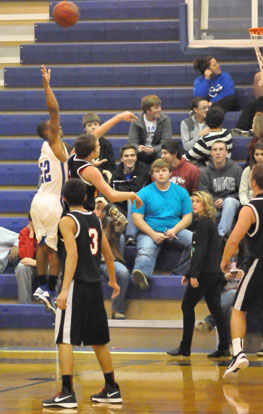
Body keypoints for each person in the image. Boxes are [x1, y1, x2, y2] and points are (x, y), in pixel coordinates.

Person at [42, 179, 122, 409]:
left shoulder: (67, 221)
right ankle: (111, 388)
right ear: (86, 197)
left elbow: (73, 256)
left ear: (64, 199)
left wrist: (64, 289)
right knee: (99, 340)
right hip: (95, 284)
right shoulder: (94, 218)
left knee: (64, 338)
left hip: (76, 284)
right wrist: (113, 281)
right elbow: (108, 253)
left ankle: (67, 393)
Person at [167, 191, 229, 358]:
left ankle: (185, 347)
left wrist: (194, 275)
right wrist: (189, 273)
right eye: (192, 201)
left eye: (198, 201)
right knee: (216, 309)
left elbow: (200, 252)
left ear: (206, 204)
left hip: (205, 274)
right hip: (213, 272)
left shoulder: (202, 223)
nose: (193, 204)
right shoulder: (208, 223)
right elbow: (201, 252)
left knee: (187, 306)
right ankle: (224, 346)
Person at [30, 65, 69, 312]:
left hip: (38, 200)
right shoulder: (53, 140)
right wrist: (46, 84)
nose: (59, 127)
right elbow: (54, 109)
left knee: (42, 246)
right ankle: (50, 289)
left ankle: (40, 285)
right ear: (48, 131)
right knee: (58, 250)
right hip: (53, 201)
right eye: (54, 126)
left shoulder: (49, 151)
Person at [221, 163, 263, 380]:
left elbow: (234, 238)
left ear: (252, 182)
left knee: (238, 308)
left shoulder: (250, 208)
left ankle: (238, 353)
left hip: (260, 264)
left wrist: (225, 261)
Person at [131, 159, 193, 290]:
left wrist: (175, 230)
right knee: (145, 251)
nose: (161, 174)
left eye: (164, 170)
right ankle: (141, 276)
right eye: (157, 171)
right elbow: (136, 219)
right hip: (149, 231)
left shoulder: (181, 192)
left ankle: (178, 274)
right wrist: (153, 234)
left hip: (175, 230)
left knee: (195, 242)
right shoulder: (143, 193)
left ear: (170, 173)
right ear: (153, 175)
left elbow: (188, 216)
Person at [69, 133, 143, 212]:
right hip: (84, 212)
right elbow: (112, 196)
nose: (100, 147)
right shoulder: (91, 171)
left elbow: (92, 135)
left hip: (70, 208)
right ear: (92, 153)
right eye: (98, 146)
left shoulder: (73, 157)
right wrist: (131, 194)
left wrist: (118, 119)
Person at [95, 197, 131, 319]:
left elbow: (123, 221)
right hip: (88, 262)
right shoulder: (85, 222)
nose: (96, 212)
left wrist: (108, 205)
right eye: (94, 208)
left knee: (123, 273)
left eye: (100, 209)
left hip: (107, 262)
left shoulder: (110, 223)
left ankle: (117, 310)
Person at [198, 140, 242, 237]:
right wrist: (216, 201)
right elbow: (204, 194)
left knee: (229, 201)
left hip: (233, 204)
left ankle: (221, 235)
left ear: (226, 152)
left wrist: (225, 200)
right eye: (215, 150)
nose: (218, 152)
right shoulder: (204, 172)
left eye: (221, 149)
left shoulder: (236, 169)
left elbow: (241, 192)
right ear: (211, 153)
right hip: (213, 206)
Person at [111, 143, 150, 243]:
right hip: (122, 207)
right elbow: (113, 194)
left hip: (141, 206)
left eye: (132, 155)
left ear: (136, 157)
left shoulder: (143, 170)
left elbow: (137, 190)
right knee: (110, 207)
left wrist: (124, 192)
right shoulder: (116, 175)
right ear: (121, 159)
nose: (129, 158)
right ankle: (117, 236)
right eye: (126, 156)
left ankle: (130, 235)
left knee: (131, 197)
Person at [127, 94, 172, 164]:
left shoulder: (165, 120)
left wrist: (154, 149)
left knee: (164, 154)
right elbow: (132, 141)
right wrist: (138, 147)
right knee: (130, 155)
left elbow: (166, 142)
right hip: (141, 153)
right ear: (147, 110)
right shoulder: (136, 121)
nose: (160, 110)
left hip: (158, 152)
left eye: (159, 107)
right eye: (156, 108)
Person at [82, 111, 116, 179]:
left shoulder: (106, 144)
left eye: (95, 124)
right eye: (89, 125)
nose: (93, 127)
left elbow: (111, 167)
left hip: (103, 178)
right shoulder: (80, 143)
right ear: (85, 129)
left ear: (99, 126)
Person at [15, 213, 38, 304]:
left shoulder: (50, 232)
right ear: (30, 222)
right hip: (32, 267)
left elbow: (53, 257)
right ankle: (25, 305)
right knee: (21, 267)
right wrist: (31, 235)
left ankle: (55, 305)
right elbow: (25, 257)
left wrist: (37, 262)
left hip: (47, 266)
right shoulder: (24, 232)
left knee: (56, 269)